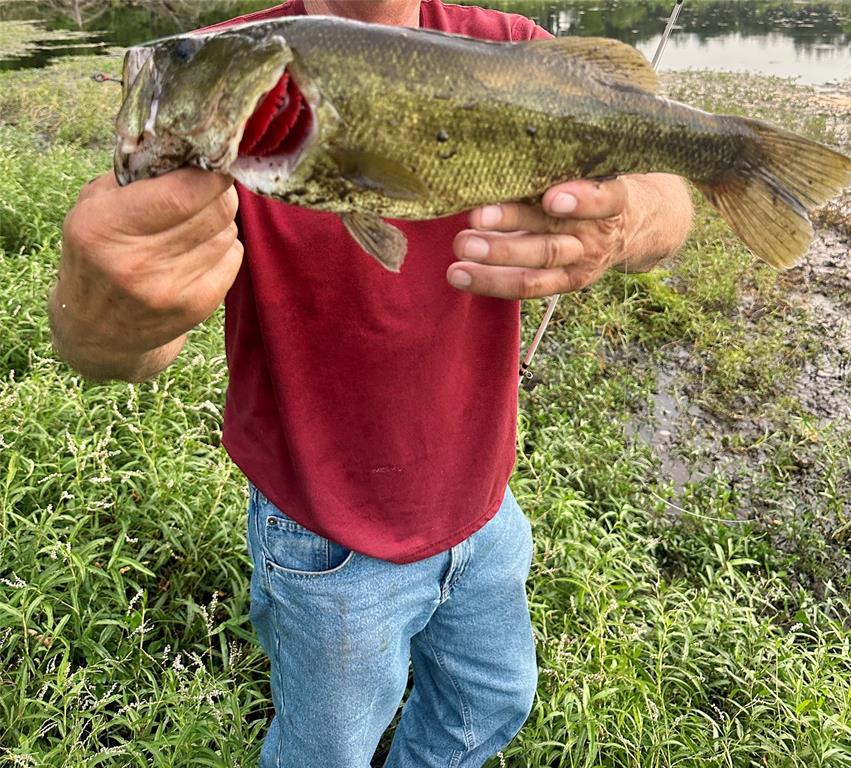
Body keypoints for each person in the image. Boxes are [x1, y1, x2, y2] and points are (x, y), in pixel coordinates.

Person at [50, 0, 693, 765]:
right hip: (322, 535)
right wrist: (106, 319)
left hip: (484, 504)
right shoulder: (235, 69)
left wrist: (623, 223)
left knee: (489, 703)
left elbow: (667, 196)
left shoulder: (511, 46)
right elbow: (124, 348)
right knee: (328, 749)